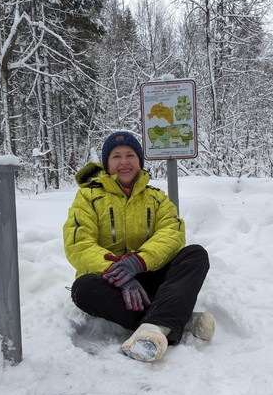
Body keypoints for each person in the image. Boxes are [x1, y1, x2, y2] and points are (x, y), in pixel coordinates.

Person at [63, 131, 215, 362]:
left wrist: (139, 261)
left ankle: (154, 327)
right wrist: (119, 272)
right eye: (116, 156)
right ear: (107, 163)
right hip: (110, 281)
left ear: (139, 161)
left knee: (195, 255)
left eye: (130, 155)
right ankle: (177, 322)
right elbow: (79, 244)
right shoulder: (87, 197)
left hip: (148, 274)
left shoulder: (157, 198)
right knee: (82, 289)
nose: (124, 162)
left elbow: (171, 234)